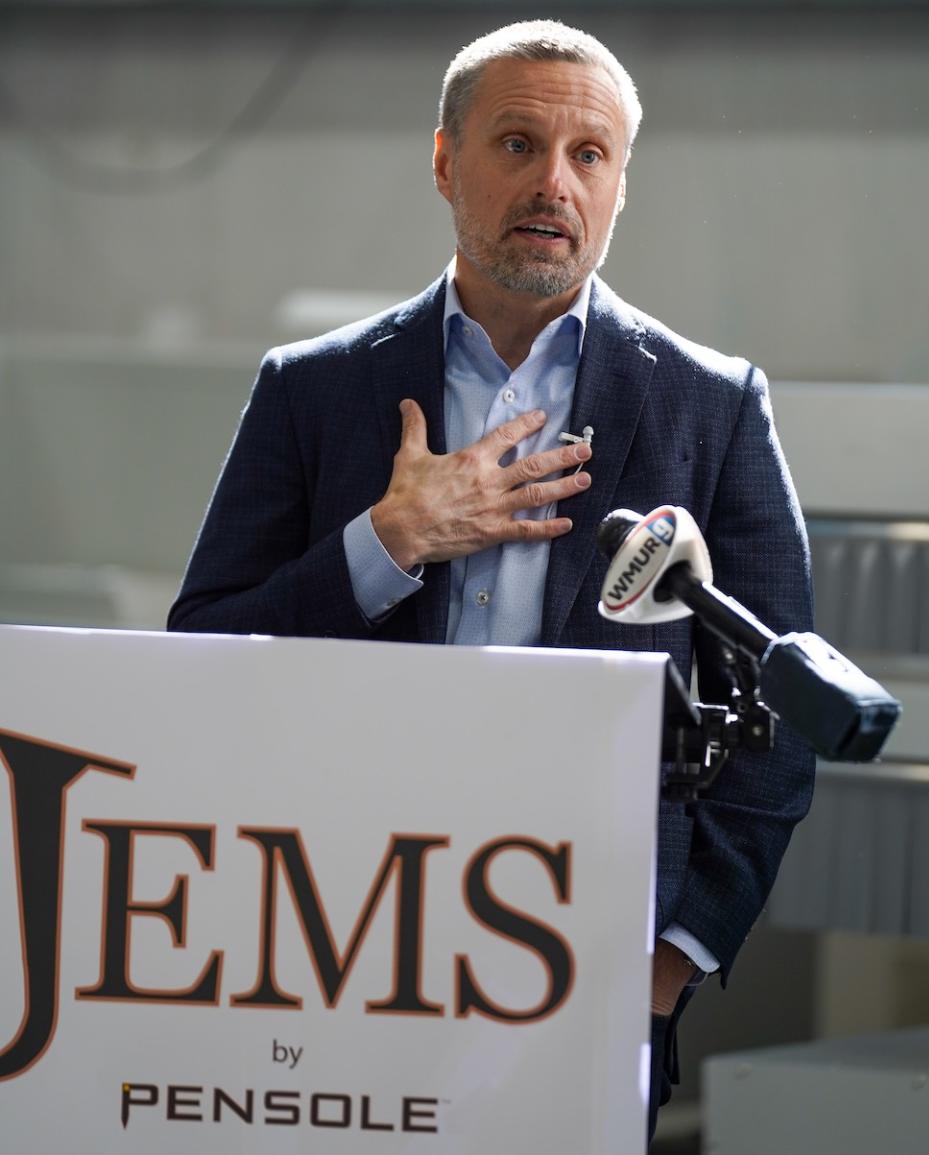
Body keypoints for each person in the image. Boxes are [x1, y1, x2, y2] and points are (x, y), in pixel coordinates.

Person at [168, 19, 815, 1141]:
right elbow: (205, 655)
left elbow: (783, 712)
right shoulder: (311, 391)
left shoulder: (712, 409)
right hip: (331, 949)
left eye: (588, 155)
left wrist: (667, 963)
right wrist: (387, 541)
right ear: (442, 162)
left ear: (620, 186)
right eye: (517, 143)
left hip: (589, 969)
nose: (553, 182)